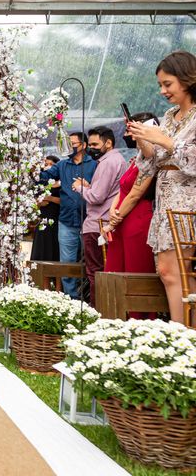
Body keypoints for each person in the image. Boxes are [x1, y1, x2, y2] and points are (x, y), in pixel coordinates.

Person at [128, 50, 196, 323]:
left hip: (188, 201)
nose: (163, 90)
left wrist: (166, 142)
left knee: (175, 271)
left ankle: (181, 335)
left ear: (187, 79)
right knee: (169, 271)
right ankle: (184, 334)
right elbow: (151, 166)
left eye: (167, 84)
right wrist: (145, 144)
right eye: (160, 85)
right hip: (165, 200)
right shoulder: (169, 117)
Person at [103, 113, 158, 320]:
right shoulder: (134, 160)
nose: (126, 134)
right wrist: (113, 211)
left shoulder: (151, 158)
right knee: (115, 270)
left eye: (130, 129)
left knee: (135, 271)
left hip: (137, 219)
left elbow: (136, 193)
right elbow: (123, 189)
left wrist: (117, 216)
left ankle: (139, 320)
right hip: (122, 219)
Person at [72, 126, 127, 307]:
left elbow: (97, 197)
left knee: (95, 272)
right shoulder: (117, 160)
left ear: (108, 143)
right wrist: (89, 187)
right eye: (90, 144)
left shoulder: (109, 162)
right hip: (103, 223)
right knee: (103, 271)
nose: (91, 148)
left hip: (97, 224)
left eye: (95, 144)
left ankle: (99, 311)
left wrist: (80, 189)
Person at [40, 133, 97, 299]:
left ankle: (89, 298)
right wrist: (33, 167)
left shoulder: (94, 165)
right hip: (66, 221)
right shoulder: (62, 165)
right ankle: (71, 298)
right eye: (67, 143)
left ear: (84, 145)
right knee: (67, 262)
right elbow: (44, 177)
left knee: (90, 261)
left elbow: (101, 190)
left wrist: (89, 185)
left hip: (89, 220)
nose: (69, 147)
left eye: (73, 144)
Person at [31, 155, 60, 262]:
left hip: (55, 217)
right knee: (40, 246)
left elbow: (64, 201)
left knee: (53, 246)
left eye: (51, 165)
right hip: (42, 218)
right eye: (46, 164)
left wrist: (50, 198)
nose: (48, 167)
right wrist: (38, 203)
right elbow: (34, 200)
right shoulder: (40, 182)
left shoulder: (61, 182)